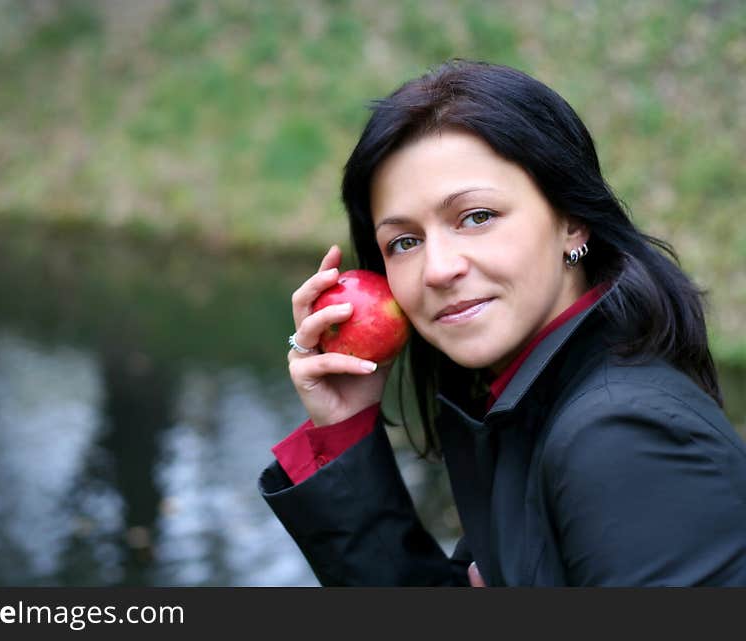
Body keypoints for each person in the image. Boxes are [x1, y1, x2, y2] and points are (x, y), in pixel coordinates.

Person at [257, 59, 746, 586]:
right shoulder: (529, 409)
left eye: (477, 217)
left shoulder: (622, 439)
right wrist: (346, 429)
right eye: (404, 242)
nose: (439, 269)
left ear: (573, 221)